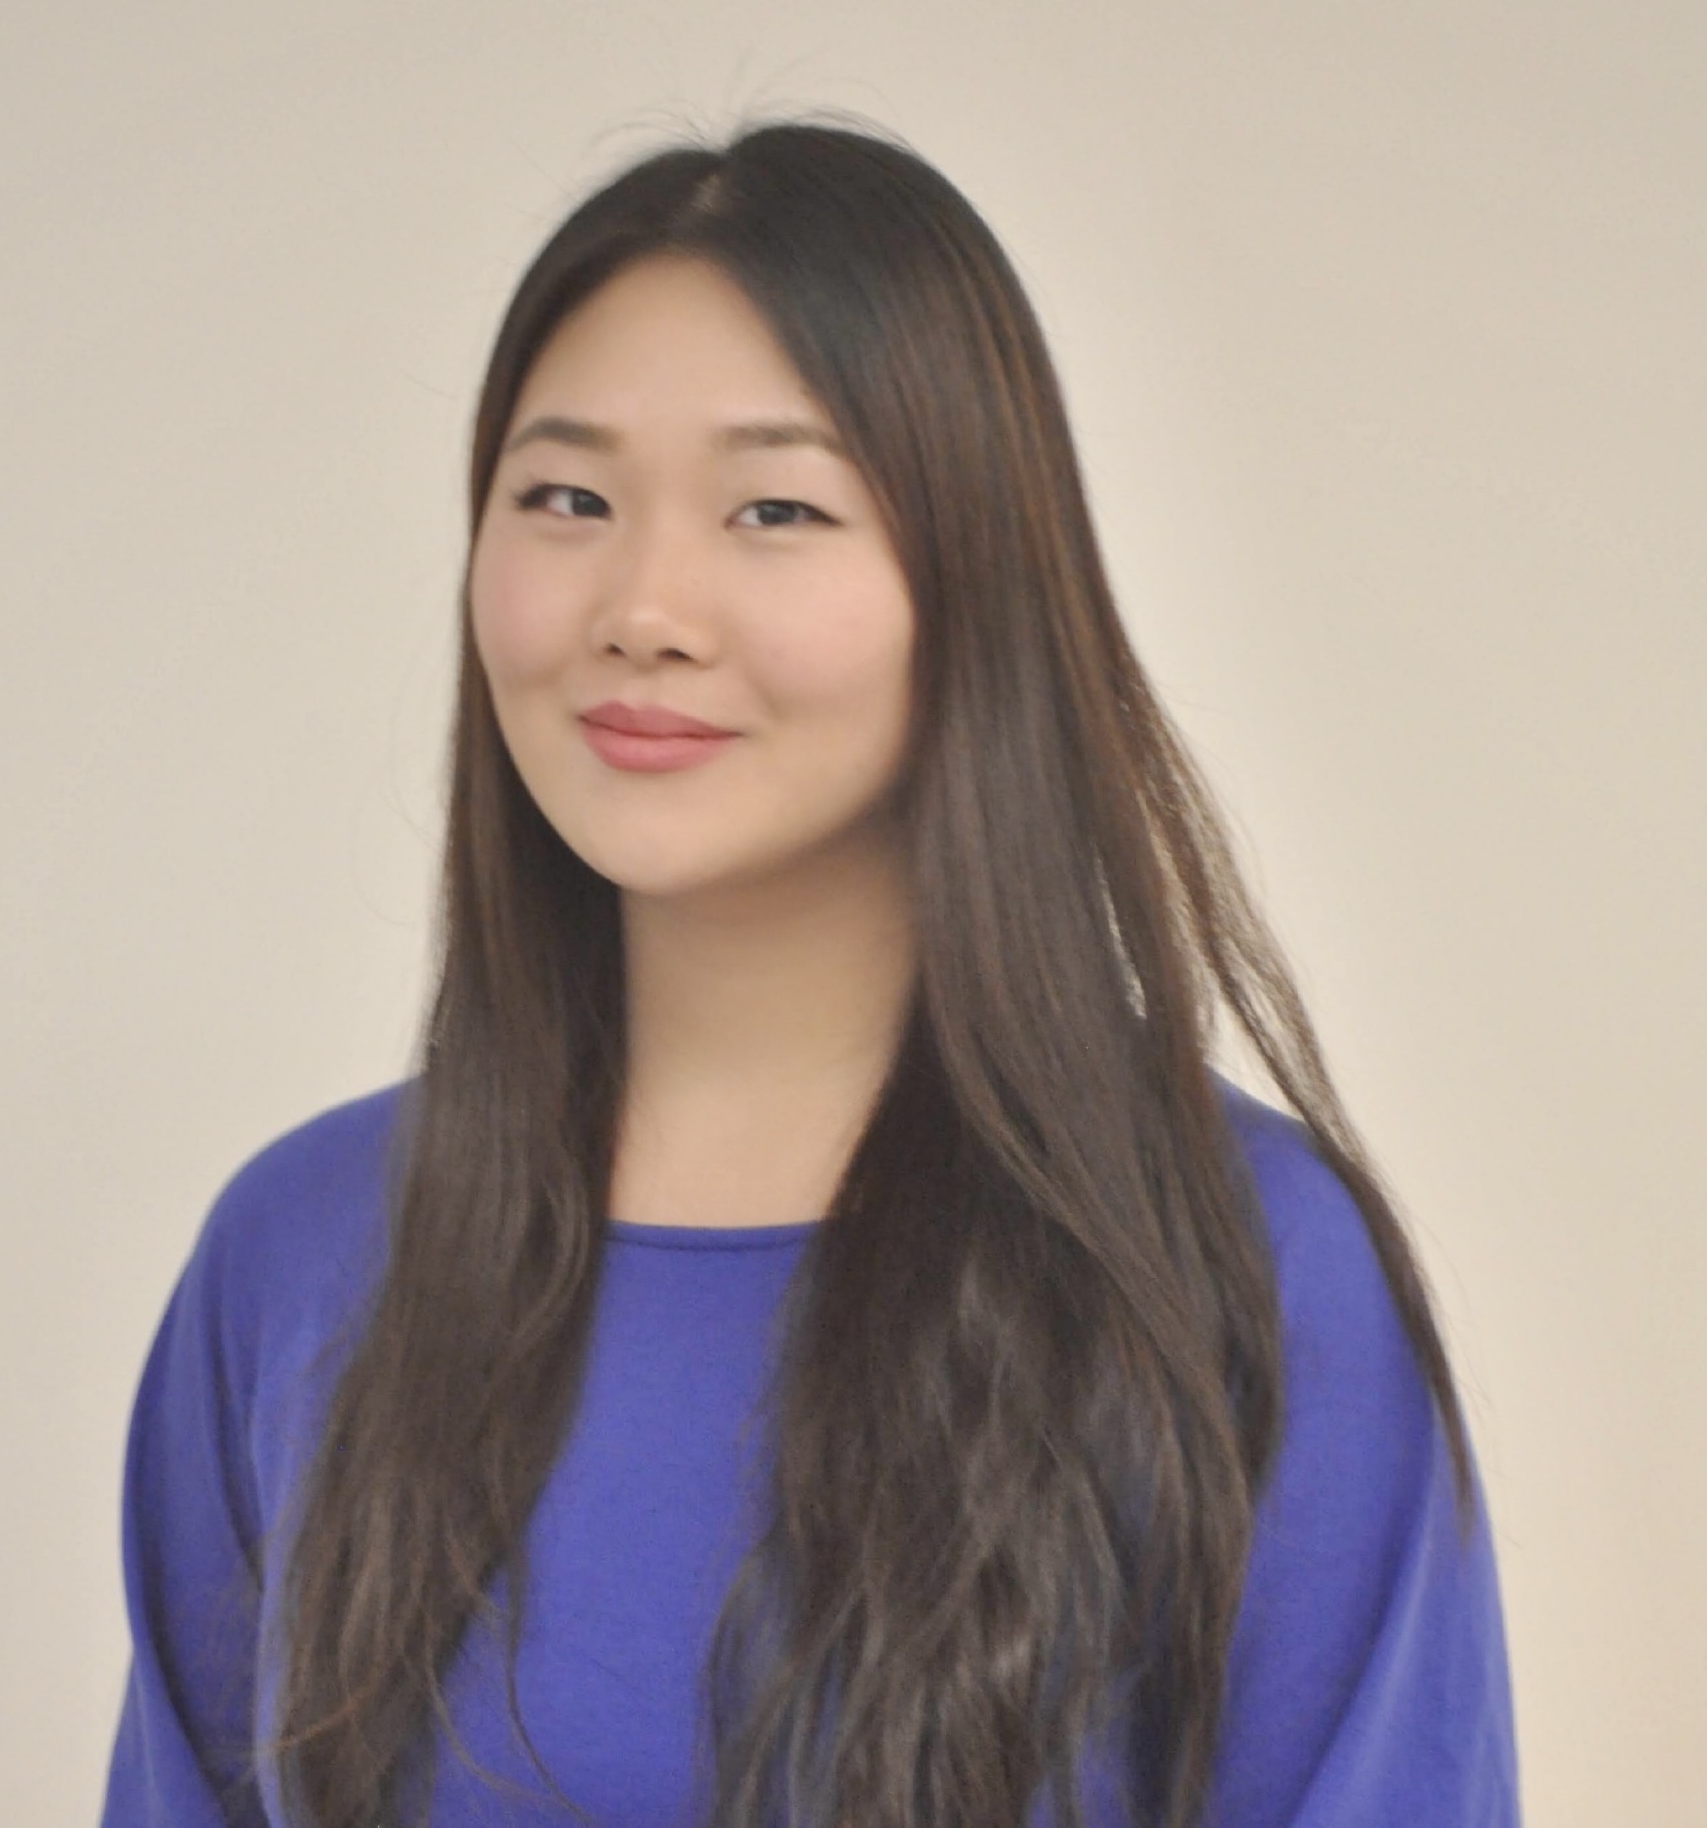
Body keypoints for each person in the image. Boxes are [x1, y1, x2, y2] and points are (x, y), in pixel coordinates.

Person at [100, 118, 1520, 1828]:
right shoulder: (302, 1252)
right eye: (565, 497)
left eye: (775, 505)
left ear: (973, 581)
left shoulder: (1236, 1272)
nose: (642, 603)